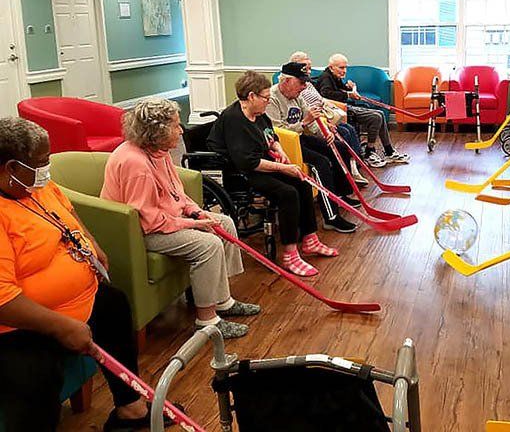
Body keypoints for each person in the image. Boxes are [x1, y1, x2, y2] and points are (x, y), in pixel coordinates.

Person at [0, 117, 169, 431]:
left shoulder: (35, 185)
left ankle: (130, 409)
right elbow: (4, 300)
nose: (46, 170)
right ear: (11, 167)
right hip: (19, 326)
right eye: (40, 163)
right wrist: (62, 325)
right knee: (36, 374)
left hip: (77, 300)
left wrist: (90, 241)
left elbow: (68, 212)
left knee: (114, 304)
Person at [102, 99, 259, 339]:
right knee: (208, 244)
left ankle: (222, 301)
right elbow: (148, 220)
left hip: (162, 220)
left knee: (223, 222)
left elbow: (177, 193)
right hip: (137, 232)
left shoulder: (159, 152)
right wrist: (194, 224)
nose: (181, 130)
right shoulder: (137, 165)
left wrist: (197, 211)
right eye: (176, 126)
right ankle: (207, 321)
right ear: (158, 131)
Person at [207, 71, 340, 277]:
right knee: (287, 192)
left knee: (303, 183)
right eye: (265, 98)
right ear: (251, 96)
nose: (268, 101)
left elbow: (271, 135)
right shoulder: (235, 119)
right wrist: (283, 168)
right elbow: (247, 162)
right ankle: (289, 254)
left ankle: (310, 239)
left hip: (259, 162)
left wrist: (280, 151)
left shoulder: (258, 114)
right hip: (239, 171)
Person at [266, 63, 359, 234]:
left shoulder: (297, 95)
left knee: (338, 147)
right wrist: (304, 123)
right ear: (286, 81)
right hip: (285, 146)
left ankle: (339, 195)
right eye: (301, 82)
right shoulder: (271, 98)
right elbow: (275, 133)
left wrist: (324, 132)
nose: (304, 87)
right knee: (320, 164)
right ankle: (331, 217)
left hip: (299, 137)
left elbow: (311, 119)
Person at [289, 51, 369, 186]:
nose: (309, 72)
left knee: (347, 130)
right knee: (344, 133)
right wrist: (321, 126)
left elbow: (319, 101)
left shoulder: (306, 83)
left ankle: (354, 165)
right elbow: (307, 115)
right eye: (306, 68)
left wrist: (325, 126)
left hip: (321, 118)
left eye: (309, 68)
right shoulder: (295, 89)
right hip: (306, 130)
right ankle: (351, 168)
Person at [316, 53, 410, 168]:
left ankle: (388, 150)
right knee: (376, 117)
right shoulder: (326, 77)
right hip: (338, 110)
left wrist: (349, 87)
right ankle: (370, 152)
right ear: (331, 67)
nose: (344, 71)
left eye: (345, 67)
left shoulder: (333, 76)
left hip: (343, 107)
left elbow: (339, 90)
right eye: (341, 68)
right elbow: (327, 94)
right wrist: (349, 94)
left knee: (379, 113)